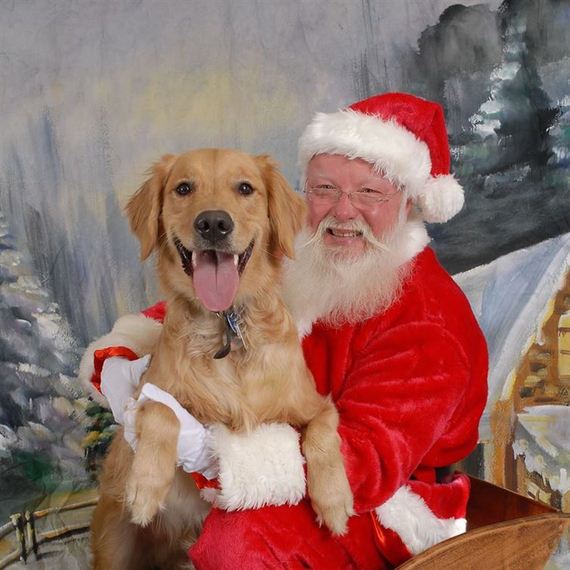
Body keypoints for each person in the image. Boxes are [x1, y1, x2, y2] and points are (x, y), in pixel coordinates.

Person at [79, 92, 488, 569]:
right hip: (279, 449)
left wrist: (212, 454)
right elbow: (214, 306)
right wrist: (122, 351)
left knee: (237, 540)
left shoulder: (431, 318)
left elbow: (370, 465)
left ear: (412, 202)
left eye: (370, 192)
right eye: (325, 189)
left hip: (382, 506)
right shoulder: (311, 258)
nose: (343, 211)